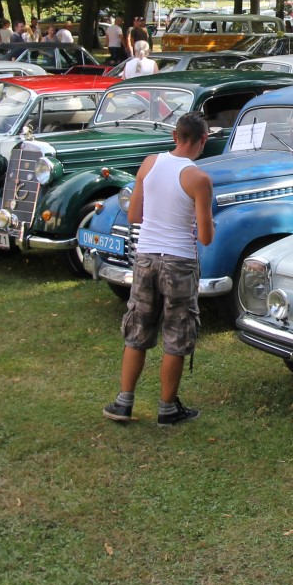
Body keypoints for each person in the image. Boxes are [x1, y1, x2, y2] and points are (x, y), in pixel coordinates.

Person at [103, 113, 215, 425]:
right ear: (203, 139)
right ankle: (167, 407)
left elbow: (134, 215)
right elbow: (205, 236)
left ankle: (123, 401)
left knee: (138, 328)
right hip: (179, 260)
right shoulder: (199, 179)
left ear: (175, 136)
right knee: (177, 332)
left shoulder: (149, 164)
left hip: (146, 256)